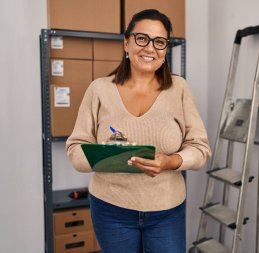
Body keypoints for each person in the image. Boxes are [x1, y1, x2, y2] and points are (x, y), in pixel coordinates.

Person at [66, 9, 211, 253]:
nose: (150, 48)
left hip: (167, 210)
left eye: (159, 42)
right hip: (110, 208)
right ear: (126, 43)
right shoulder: (99, 89)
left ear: (165, 49)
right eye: (141, 38)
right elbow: (75, 151)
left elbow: (200, 149)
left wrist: (171, 161)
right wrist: (109, 156)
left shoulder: (179, 89)